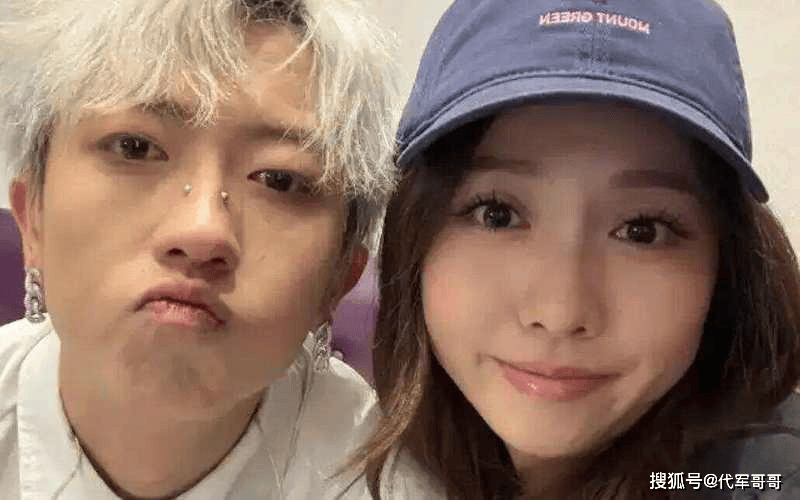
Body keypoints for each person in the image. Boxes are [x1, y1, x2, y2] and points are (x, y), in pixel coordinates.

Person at [349, 0, 800, 498]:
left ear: (726, 263)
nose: (560, 313)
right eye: (497, 214)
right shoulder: (361, 448)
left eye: (642, 231)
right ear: (413, 230)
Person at [0, 0, 436, 498]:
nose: (202, 231)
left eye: (279, 179)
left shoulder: (389, 487)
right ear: (32, 216)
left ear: (340, 277)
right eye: (135, 147)